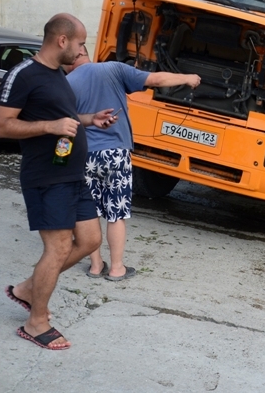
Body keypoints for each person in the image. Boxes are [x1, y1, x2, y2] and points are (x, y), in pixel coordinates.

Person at [0, 13, 117, 350]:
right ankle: (37, 322)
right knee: (59, 246)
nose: (81, 51)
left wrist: (90, 119)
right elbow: (2, 126)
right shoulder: (24, 74)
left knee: (90, 240)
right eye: (79, 44)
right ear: (61, 40)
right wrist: (51, 128)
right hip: (46, 177)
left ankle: (27, 289)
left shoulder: (57, 75)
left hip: (72, 174)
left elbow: (62, 116)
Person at [65, 48, 201, 281]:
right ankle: (117, 268)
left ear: (74, 56)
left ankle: (96, 266)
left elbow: (63, 123)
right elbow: (156, 79)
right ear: (85, 52)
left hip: (85, 156)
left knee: (89, 212)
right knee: (115, 213)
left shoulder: (66, 82)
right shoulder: (113, 68)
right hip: (116, 154)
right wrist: (187, 78)